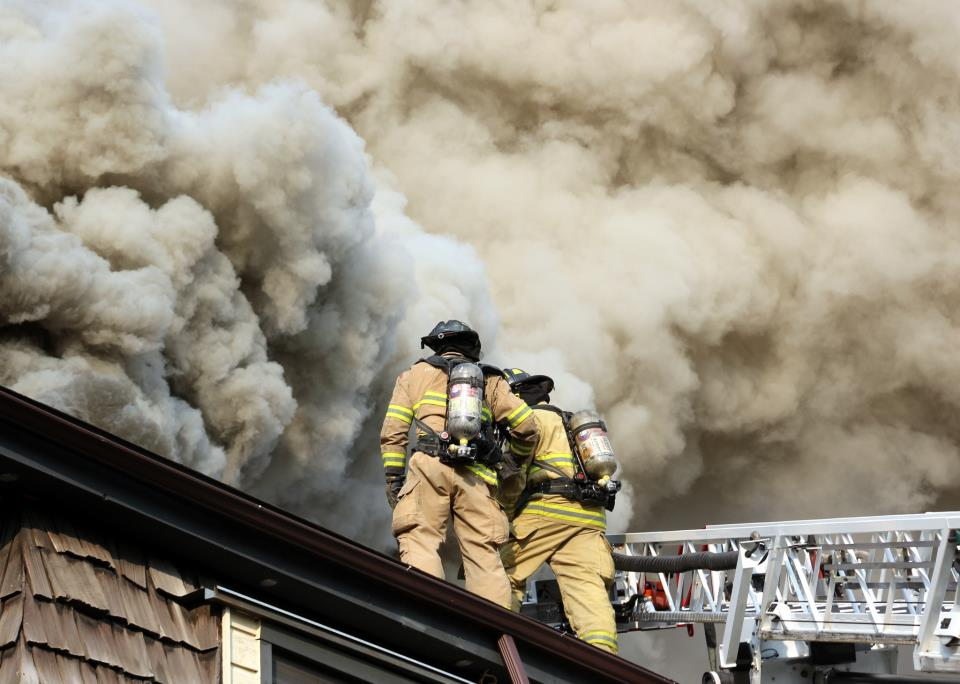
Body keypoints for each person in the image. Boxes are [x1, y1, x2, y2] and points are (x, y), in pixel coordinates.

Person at [380, 321, 538, 607]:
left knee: (419, 538)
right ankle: (495, 629)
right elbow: (527, 426)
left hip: (428, 466)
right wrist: (511, 461)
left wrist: (394, 478)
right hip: (477, 477)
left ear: (438, 346)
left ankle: (429, 615)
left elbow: (393, 432)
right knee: (484, 555)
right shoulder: (490, 380)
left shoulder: (414, 375)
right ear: (472, 348)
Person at [498, 368, 619, 654]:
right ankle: (603, 660)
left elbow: (515, 476)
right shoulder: (567, 421)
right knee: (586, 588)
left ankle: (492, 639)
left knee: (501, 570)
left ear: (515, 395)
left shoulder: (528, 421)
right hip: (589, 517)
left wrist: (504, 510)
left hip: (549, 509)